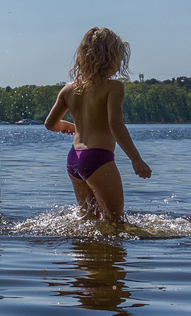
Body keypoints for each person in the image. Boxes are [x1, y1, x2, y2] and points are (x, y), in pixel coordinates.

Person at [44, 27, 152, 222]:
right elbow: (115, 124)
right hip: (98, 158)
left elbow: (50, 124)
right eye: (119, 58)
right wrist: (136, 159)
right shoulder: (113, 87)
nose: (120, 64)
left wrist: (71, 127)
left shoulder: (68, 89)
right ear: (110, 58)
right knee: (115, 223)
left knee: (88, 222)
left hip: (74, 159)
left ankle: (88, 252)